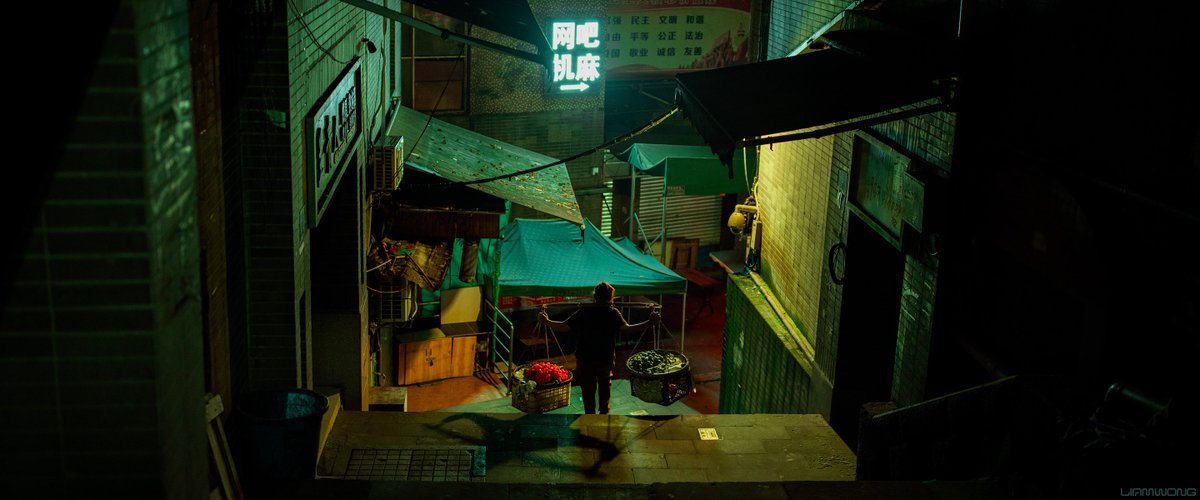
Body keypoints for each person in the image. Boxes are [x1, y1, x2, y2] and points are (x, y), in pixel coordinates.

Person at [538, 282, 660, 414]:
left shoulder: (587, 311)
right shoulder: (611, 312)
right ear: (610, 298)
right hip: (603, 358)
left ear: (595, 297)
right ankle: (603, 414)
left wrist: (546, 321)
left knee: (588, 391)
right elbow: (627, 329)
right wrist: (649, 322)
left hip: (587, 358)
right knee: (604, 390)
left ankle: (590, 415)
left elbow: (564, 327)